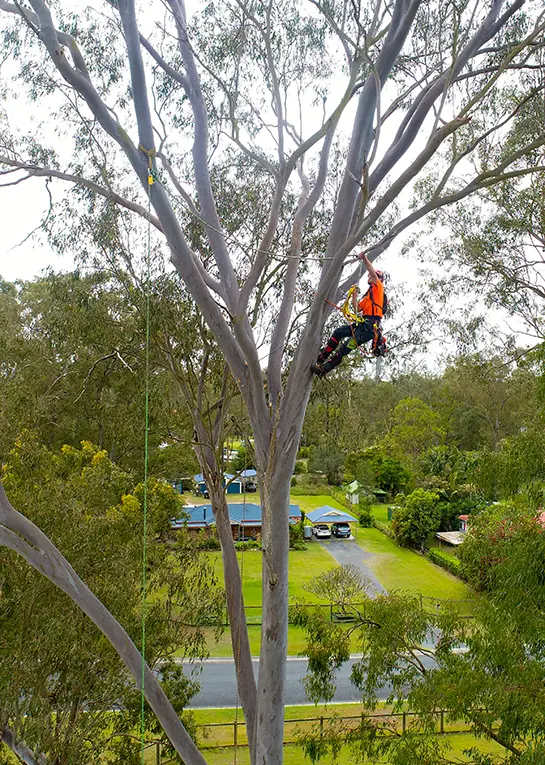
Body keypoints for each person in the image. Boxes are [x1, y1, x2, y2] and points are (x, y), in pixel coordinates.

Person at [311, 252, 386, 378]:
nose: (369, 277)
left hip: (369, 329)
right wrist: (355, 295)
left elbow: (371, 271)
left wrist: (364, 258)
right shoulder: (368, 296)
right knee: (338, 332)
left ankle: (324, 369)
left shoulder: (378, 288)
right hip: (362, 324)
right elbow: (356, 307)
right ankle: (322, 356)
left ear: (378, 279)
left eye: (372, 276)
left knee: (345, 348)